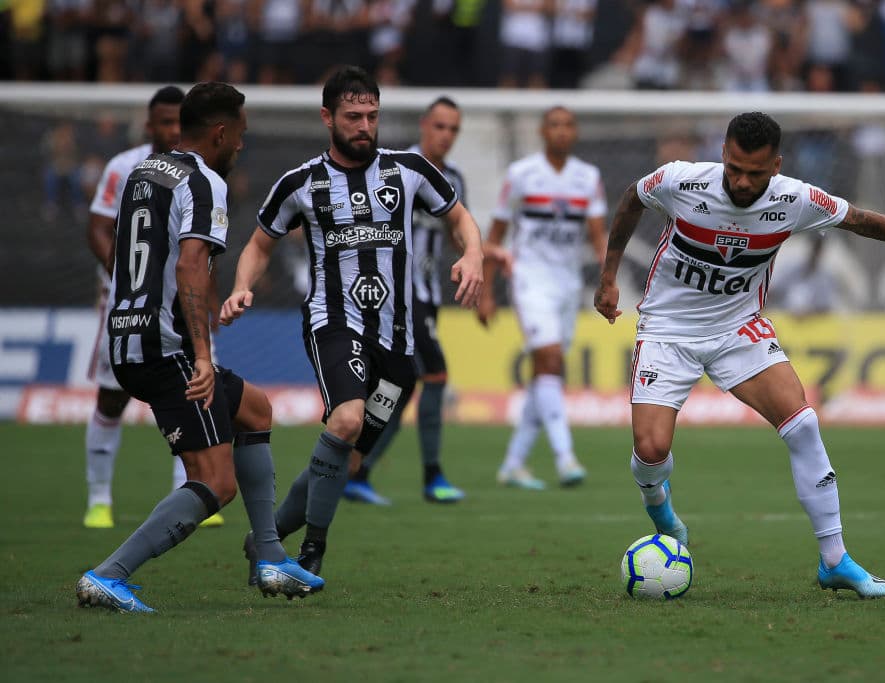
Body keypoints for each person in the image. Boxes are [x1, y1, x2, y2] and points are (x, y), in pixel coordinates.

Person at [593, 112, 885, 599]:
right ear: (724, 155)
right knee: (651, 451)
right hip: (668, 330)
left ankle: (835, 560)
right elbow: (631, 199)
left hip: (738, 329)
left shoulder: (794, 199)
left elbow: (860, 220)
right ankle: (660, 508)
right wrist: (608, 277)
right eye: (733, 167)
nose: (741, 181)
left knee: (803, 423)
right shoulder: (681, 181)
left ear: (775, 166)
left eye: (754, 172)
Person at [221, 67, 485, 578]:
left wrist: (472, 254)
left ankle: (264, 540)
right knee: (345, 419)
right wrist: (240, 287)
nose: (365, 125)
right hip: (334, 323)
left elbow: (459, 217)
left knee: (351, 458)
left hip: (398, 344)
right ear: (327, 118)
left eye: (372, 115)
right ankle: (310, 552)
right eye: (353, 116)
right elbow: (258, 243)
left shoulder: (409, 169)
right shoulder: (300, 183)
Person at [76, 82, 324, 614]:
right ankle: (108, 574)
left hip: (126, 331)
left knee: (255, 408)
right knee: (215, 481)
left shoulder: (146, 171)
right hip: (166, 345)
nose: (241, 144)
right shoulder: (205, 181)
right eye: (240, 134)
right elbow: (191, 264)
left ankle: (269, 555)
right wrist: (204, 355)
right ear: (219, 131)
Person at [81, 85, 225, 531]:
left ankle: (192, 490)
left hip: (182, 303)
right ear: (149, 125)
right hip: (129, 301)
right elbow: (99, 228)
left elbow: (196, 253)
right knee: (112, 395)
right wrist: (127, 277)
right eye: (164, 122)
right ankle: (100, 499)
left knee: (198, 387)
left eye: (178, 121)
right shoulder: (124, 167)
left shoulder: (199, 173)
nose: (172, 129)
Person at [343, 96, 472, 505]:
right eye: (440, 126)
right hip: (397, 293)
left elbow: (456, 231)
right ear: (424, 125)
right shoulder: (394, 168)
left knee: (400, 386)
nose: (446, 135)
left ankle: (356, 468)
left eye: (453, 129)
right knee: (435, 373)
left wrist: (482, 256)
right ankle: (432, 476)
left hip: (428, 294)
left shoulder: (454, 178)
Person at [479, 105, 607, 490]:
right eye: (555, 125)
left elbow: (598, 238)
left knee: (546, 372)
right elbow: (496, 235)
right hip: (529, 278)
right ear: (542, 131)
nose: (562, 131)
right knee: (550, 359)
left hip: (568, 283)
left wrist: (608, 277)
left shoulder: (588, 177)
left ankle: (514, 463)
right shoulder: (521, 174)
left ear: (576, 131)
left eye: (568, 124)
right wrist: (486, 292)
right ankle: (565, 456)